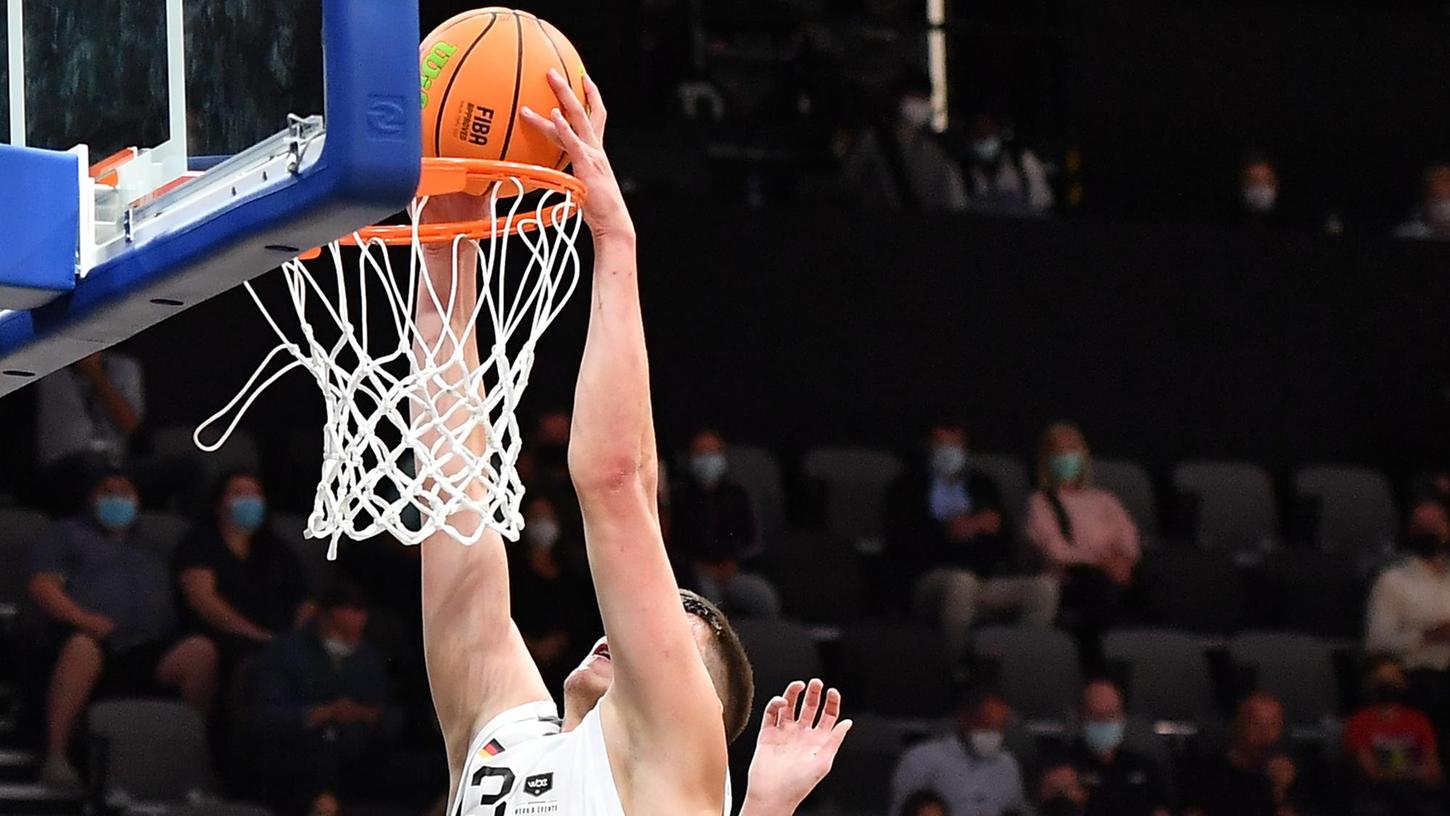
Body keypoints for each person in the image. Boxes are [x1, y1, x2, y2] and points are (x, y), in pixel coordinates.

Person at [416, 71, 850, 815]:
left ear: (702, 713)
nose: (655, 619)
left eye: (689, 635)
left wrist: (615, 238)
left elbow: (617, 486)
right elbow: (455, 501)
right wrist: (451, 236)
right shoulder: (505, 737)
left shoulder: (676, 752)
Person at [25, 470, 218, 789]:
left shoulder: (155, 545)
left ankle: (194, 759)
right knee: (80, 649)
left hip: (150, 646)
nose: (117, 499)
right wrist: (85, 620)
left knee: (201, 652)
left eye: (125, 492)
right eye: (108, 491)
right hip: (93, 639)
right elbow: (42, 586)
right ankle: (57, 755)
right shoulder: (66, 534)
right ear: (91, 498)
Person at [884, 418, 1057, 665]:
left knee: (1043, 588)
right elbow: (901, 543)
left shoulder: (983, 486)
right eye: (941, 446)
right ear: (928, 447)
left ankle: (1020, 667)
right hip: (928, 581)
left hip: (982, 580)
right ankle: (954, 669)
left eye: (955, 446)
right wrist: (947, 533)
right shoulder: (907, 488)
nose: (949, 453)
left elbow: (1002, 539)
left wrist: (980, 529)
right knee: (961, 583)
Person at [250, 580, 389, 816]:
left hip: (352, 757)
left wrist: (359, 713)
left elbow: (380, 710)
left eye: (354, 636)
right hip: (296, 755)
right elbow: (266, 716)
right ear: (324, 619)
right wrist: (323, 713)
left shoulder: (366, 658)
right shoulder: (285, 653)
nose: (349, 642)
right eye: (341, 633)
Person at [1023, 421, 1140, 671]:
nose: (1067, 459)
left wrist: (1124, 560)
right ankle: (1097, 667)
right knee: (1098, 586)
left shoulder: (1103, 499)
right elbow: (1055, 550)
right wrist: (1102, 561)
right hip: (1072, 578)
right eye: (1059, 453)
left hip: (1115, 569)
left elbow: (1127, 534)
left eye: (1072, 451)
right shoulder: (1041, 502)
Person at [173, 471, 313, 672]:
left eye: (255, 494)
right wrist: (256, 635)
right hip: (224, 637)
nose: (249, 500)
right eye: (239, 493)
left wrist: (299, 637)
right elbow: (203, 600)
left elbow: (303, 599)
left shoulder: (277, 548)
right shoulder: (198, 544)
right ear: (218, 504)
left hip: (281, 636)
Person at [33, 351, 201, 514]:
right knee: (91, 464)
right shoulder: (50, 371)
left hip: (116, 465)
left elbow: (131, 426)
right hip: (65, 467)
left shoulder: (124, 367)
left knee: (190, 468)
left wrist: (95, 373)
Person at [668, 427, 782, 619]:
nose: (707, 460)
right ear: (689, 457)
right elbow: (672, 546)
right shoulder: (679, 498)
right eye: (701, 453)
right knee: (708, 600)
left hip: (734, 572)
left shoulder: (737, 496)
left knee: (763, 596)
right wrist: (698, 567)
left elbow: (753, 541)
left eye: (713, 453)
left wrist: (733, 564)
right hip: (696, 575)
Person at [1364, 497, 1450, 745]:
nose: (1431, 532)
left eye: (1436, 524)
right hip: (1415, 676)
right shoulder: (1392, 581)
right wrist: (1427, 636)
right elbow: (1377, 643)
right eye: (1422, 526)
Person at [839, 68, 967, 213]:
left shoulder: (935, 151)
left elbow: (948, 198)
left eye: (925, 98)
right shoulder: (873, 142)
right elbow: (850, 184)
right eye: (915, 97)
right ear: (899, 99)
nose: (921, 104)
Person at [509, 495, 600, 694]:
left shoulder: (573, 571)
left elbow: (582, 620)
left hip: (568, 667)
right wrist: (532, 646)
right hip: (522, 668)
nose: (541, 524)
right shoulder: (512, 572)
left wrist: (560, 642)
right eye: (535, 517)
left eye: (545, 517)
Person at [889, 688, 1028, 816]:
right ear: (964, 719)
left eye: (1000, 729)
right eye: (986, 726)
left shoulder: (1008, 764)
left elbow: (1016, 811)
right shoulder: (921, 759)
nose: (993, 735)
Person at [1343, 655, 1443, 816]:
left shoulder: (1418, 720)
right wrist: (1414, 772)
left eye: (1394, 677)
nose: (1389, 683)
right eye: (1382, 678)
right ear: (1368, 683)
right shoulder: (1360, 721)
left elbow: (1434, 771)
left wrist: (1418, 774)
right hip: (1381, 795)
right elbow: (1372, 773)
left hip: (1419, 793)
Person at [1183, 693, 1307, 816]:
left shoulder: (1290, 776)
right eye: (1257, 724)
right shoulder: (1208, 771)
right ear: (1239, 726)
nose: (1265, 733)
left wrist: (1281, 790)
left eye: (1273, 725)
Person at [1067, 679, 1172, 816]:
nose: (1104, 722)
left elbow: (1162, 809)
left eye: (1111, 715)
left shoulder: (1145, 767)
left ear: (1122, 718)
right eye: (1096, 715)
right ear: (1081, 717)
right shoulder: (1063, 766)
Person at [961, 112, 1054, 217]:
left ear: (1000, 131)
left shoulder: (1023, 161)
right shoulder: (963, 169)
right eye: (978, 131)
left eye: (989, 129)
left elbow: (1042, 204)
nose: (984, 136)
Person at [1395, 163, 1450, 241]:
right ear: (1425, 201)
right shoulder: (1407, 234)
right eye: (1437, 198)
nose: (1444, 207)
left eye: (1448, 198)